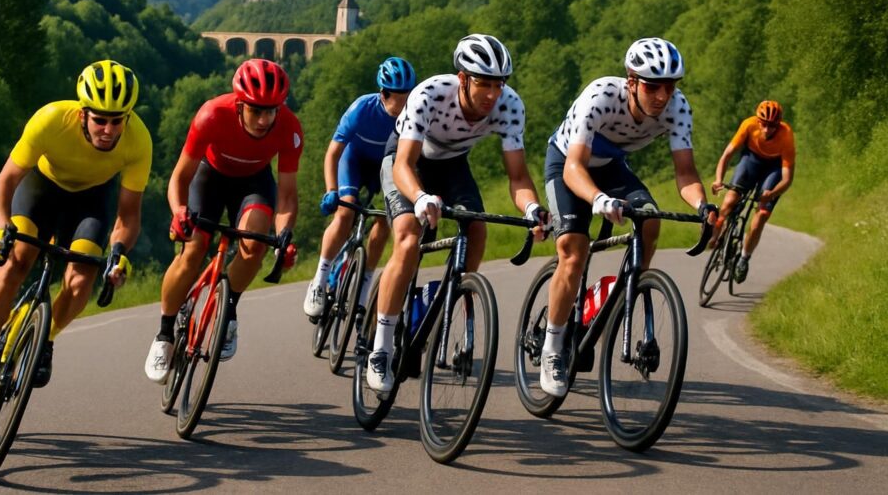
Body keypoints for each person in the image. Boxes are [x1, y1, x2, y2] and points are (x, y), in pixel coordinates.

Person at [0, 60, 150, 420]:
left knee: (82, 276)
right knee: (14, 265)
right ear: (83, 114)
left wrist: (119, 254)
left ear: (127, 118)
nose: (107, 129)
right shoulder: (51, 119)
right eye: (99, 119)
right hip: (41, 190)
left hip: (90, 202)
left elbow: (128, 216)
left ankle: (46, 337)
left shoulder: (138, 141)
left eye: (116, 120)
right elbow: (4, 185)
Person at [366, 34, 549, 393]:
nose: (493, 94)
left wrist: (532, 207)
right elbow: (403, 163)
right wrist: (418, 197)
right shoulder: (430, 94)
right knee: (407, 235)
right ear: (463, 79)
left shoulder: (509, 106)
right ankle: (381, 347)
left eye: (500, 84)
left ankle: (453, 293)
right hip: (408, 160)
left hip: (452, 165)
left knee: (477, 229)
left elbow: (518, 176)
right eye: (484, 84)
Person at [540, 38, 716, 397]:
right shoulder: (601, 96)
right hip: (567, 165)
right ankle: (552, 348)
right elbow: (575, 167)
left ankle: (628, 289)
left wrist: (703, 206)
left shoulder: (678, 108)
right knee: (574, 250)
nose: (663, 96)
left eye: (670, 86)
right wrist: (599, 199)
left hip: (611, 167)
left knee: (650, 220)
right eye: (653, 86)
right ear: (631, 81)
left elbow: (686, 173)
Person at [144, 58, 301, 383]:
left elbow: (286, 196)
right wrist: (178, 211)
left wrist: (284, 235)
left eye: (271, 110)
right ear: (240, 104)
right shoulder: (211, 115)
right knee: (194, 250)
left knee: (255, 241)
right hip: (210, 178)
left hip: (254, 183)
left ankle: (228, 312)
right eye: (256, 110)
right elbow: (180, 177)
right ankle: (164, 335)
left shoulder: (289, 127)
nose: (264, 119)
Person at [302, 57, 417, 319]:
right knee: (346, 213)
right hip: (353, 161)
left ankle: (363, 290)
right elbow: (333, 153)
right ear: (383, 93)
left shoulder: (414, 113)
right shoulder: (361, 109)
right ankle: (320, 280)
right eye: (397, 97)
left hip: (386, 168)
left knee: (386, 222)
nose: (403, 103)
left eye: (407, 95)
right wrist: (331, 190)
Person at [710, 100, 795, 283]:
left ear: (778, 124)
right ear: (758, 121)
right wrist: (718, 179)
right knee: (730, 200)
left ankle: (744, 258)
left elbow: (787, 179)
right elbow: (727, 155)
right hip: (751, 160)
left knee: (761, 217)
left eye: (772, 126)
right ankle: (718, 231)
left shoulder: (786, 135)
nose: (766, 129)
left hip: (774, 168)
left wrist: (770, 195)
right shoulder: (749, 125)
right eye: (763, 124)